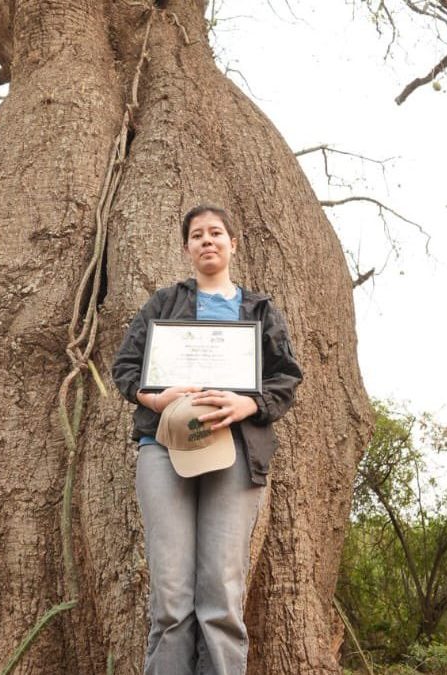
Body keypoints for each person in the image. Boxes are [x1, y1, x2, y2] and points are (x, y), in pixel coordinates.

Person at [111, 205, 303, 675]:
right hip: (164, 451)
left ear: (232, 244)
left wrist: (249, 404)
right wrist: (156, 399)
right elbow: (125, 369)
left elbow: (286, 377)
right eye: (197, 235)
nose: (207, 241)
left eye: (216, 233)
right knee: (171, 598)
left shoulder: (259, 311)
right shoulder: (163, 305)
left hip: (236, 452)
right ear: (187, 249)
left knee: (220, 594)